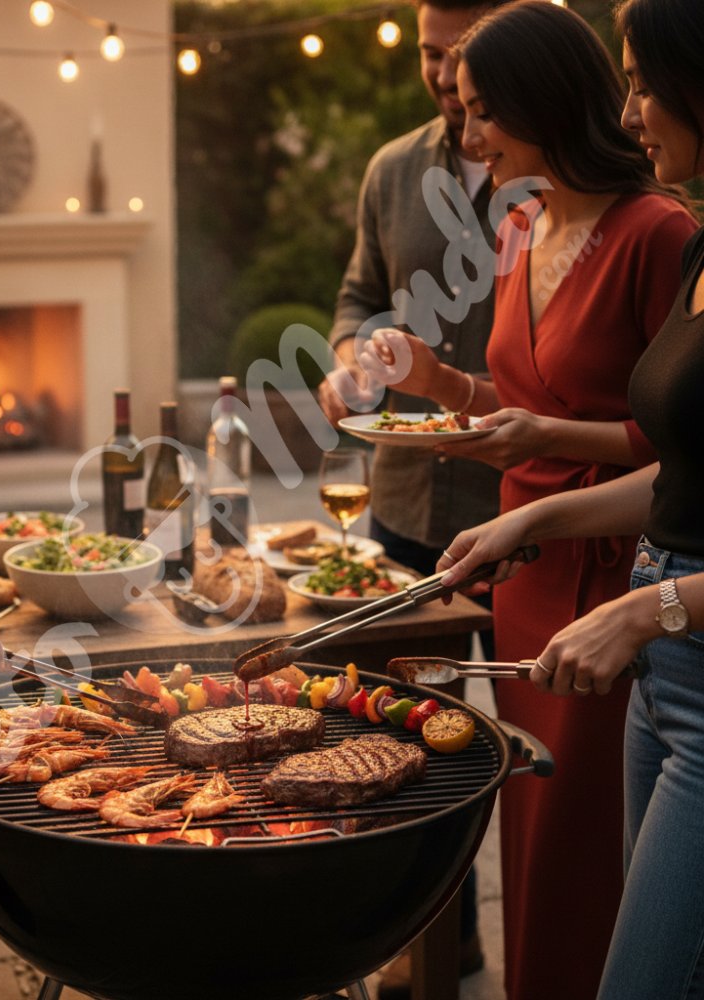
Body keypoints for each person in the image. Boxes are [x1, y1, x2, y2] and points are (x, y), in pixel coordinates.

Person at [360, 3, 697, 998]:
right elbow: (523, 396)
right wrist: (443, 386)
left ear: (541, 105)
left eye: (481, 115)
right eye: (461, 114)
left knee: (583, 854)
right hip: (526, 567)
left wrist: (547, 444)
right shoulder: (519, 224)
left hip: (618, 569)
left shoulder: (656, 232)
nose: (467, 139)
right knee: (532, 833)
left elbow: (673, 437)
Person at [317, 4, 509, 991]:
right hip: (399, 506)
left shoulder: (551, 168)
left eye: (461, 58)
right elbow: (358, 295)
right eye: (431, 55)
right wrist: (351, 358)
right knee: (400, 748)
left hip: (520, 509)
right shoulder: (393, 167)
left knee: (522, 756)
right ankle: (437, 949)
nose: (440, 75)